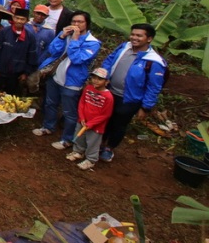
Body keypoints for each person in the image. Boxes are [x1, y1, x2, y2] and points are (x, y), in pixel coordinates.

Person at [99, 23, 167, 163]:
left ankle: (109, 148)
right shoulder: (124, 47)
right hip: (110, 92)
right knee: (105, 119)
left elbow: (153, 87)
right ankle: (98, 143)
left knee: (119, 124)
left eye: (139, 35)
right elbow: (110, 60)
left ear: (149, 39)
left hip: (129, 99)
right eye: (133, 34)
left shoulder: (154, 61)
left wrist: (145, 107)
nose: (134, 38)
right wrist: (103, 76)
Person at [33, 11, 101, 150]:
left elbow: (77, 59)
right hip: (56, 75)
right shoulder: (66, 34)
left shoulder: (92, 43)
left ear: (87, 24)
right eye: (74, 21)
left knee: (69, 112)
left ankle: (67, 139)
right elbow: (53, 50)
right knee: (50, 103)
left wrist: (75, 40)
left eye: (80, 22)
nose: (76, 24)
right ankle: (48, 126)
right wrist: (62, 36)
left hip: (72, 81)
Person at [66, 68, 115, 171]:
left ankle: (91, 160)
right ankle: (78, 152)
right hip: (83, 121)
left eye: (100, 79)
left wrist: (91, 123)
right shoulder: (88, 88)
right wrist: (82, 117)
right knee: (79, 136)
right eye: (94, 78)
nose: (96, 81)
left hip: (96, 126)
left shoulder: (108, 97)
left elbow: (106, 114)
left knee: (93, 142)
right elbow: (82, 103)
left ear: (106, 82)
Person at [0, 8, 39, 96]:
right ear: (13, 18)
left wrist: (26, 73)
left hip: (16, 75)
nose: (19, 21)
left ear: (27, 21)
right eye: (17, 18)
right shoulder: (4, 32)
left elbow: (32, 57)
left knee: (10, 99)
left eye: (22, 19)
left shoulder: (30, 37)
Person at [23, 5, 57, 94]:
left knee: (32, 84)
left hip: (37, 61)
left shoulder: (49, 31)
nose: (39, 16)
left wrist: (41, 63)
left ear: (46, 17)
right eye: (38, 13)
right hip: (21, 59)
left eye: (43, 15)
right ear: (34, 13)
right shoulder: (25, 25)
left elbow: (48, 49)